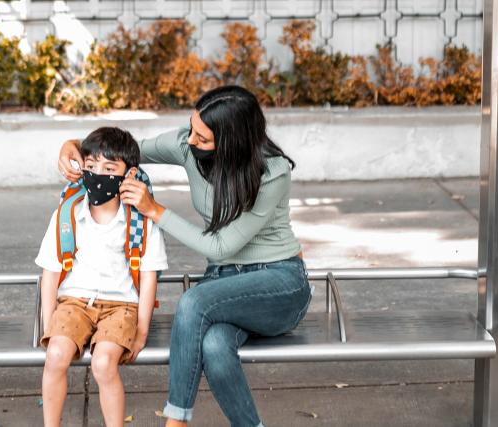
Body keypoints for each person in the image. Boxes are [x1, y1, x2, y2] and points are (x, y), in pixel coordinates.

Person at [56, 86, 307, 427]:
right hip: (225, 285)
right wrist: (73, 145)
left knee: (192, 302)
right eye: (192, 128)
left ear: (231, 141)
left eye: (202, 138)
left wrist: (155, 210)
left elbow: (222, 247)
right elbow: (122, 153)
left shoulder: (272, 172)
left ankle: (175, 423)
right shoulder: (187, 145)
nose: (190, 140)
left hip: (278, 283)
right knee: (216, 346)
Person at [36, 126, 167, 427]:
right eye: (91, 166)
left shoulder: (141, 221)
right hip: (73, 303)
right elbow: (50, 271)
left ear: (129, 174)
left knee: (104, 363)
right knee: (56, 355)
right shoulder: (66, 214)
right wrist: (49, 325)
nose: (98, 174)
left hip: (121, 307)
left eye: (110, 168)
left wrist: (142, 333)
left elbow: (148, 278)